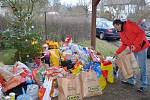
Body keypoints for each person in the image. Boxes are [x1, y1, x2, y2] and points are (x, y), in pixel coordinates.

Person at [113, 19, 150, 93]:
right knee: (130, 64)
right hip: (133, 48)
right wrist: (117, 52)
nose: (115, 29)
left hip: (142, 46)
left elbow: (141, 33)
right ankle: (131, 81)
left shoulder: (130, 25)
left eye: (115, 27)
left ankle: (144, 84)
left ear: (119, 24)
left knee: (142, 65)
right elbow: (124, 44)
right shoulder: (121, 32)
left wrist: (135, 45)